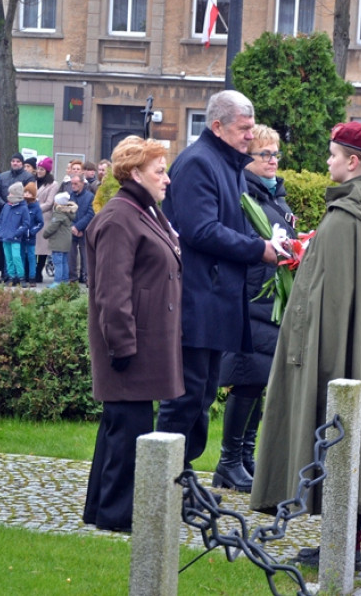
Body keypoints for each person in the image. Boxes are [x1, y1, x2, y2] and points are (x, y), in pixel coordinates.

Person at [250, 121, 361, 572]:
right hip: (360, 349)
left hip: (334, 353)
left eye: (333, 155)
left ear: (353, 162)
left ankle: (342, 545)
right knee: (352, 436)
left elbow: (325, 303)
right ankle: (344, 541)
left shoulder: (346, 216)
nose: (328, 162)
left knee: (337, 431)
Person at [156, 90, 278, 472]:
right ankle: (164, 479)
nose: (250, 137)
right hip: (195, 298)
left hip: (215, 297)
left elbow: (231, 224)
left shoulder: (227, 165)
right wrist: (258, 248)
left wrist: (273, 241)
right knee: (185, 396)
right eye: (244, 129)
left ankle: (182, 475)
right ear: (217, 126)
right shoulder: (198, 163)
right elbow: (201, 230)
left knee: (203, 394)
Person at [81, 136, 184, 533]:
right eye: (160, 171)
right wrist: (122, 345)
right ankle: (118, 514)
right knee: (128, 431)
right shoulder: (120, 217)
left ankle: (103, 508)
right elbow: (111, 290)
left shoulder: (144, 212)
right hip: (129, 346)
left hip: (144, 342)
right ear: (135, 174)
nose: (167, 179)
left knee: (122, 428)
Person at [214, 125, 297, 492]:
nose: (272, 159)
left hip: (271, 299)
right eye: (264, 154)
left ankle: (245, 456)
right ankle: (229, 461)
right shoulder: (242, 198)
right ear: (247, 159)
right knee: (247, 379)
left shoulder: (274, 197)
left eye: (276, 153)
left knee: (259, 381)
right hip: (251, 299)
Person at [0, 181, 31, 287]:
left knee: (17, 257)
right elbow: (0, 220)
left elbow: (26, 224)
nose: (8, 195)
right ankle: (11, 276)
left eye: (11, 193)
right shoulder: (6, 206)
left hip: (15, 238)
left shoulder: (23, 208)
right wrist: (0, 231)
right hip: (5, 237)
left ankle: (21, 277)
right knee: (8, 258)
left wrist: (17, 233)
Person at [41, 191, 76, 286]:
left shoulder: (59, 213)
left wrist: (45, 234)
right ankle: (65, 280)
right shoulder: (68, 213)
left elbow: (53, 226)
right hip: (65, 242)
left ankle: (57, 282)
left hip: (58, 242)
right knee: (64, 261)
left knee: (57, 262)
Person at [33, 157, 59, 283]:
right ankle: (32, 272)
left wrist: (34, 208)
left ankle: (39, 272)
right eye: (38, 168)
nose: (39, 171)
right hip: (31, 217)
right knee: (32, 247)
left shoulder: (53, 184)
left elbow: (49, 203)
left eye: (42, 169)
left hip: (44, 218)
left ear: (47, 171)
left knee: (42, 249)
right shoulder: (33, 181)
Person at [68, 174, 95, 284]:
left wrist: (78, 227)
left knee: (86, 255)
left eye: (76, 184)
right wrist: (72, 227)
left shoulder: (90, 197)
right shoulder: (70, 196)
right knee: (71, 255)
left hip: (85, 230)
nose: (73, 186)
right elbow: (67, 213)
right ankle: (72, 278)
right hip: (72, 230)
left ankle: (87, 277)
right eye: (72, 184)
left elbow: (90, 214)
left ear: (82, 184)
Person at [21, 181, 44, 287]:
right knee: (22, 256)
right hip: (21, 236)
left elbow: (40, 222)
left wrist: (32, 231)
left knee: (31, 257)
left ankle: (32, 277)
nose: (26, 195)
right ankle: (23, 276)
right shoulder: (21, 206)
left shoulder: (36, 207)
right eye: (25, 192)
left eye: (29, 193)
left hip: (30, 237)